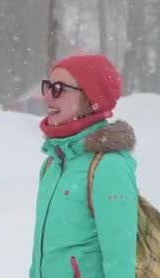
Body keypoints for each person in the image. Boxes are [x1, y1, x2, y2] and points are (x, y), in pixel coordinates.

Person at [30, 53, 139, 277]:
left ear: (90, 98)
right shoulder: (52, 163)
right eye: (48, 86)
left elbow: (120, 262)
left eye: (59, 88)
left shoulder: (108, 166)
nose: (49, 97)